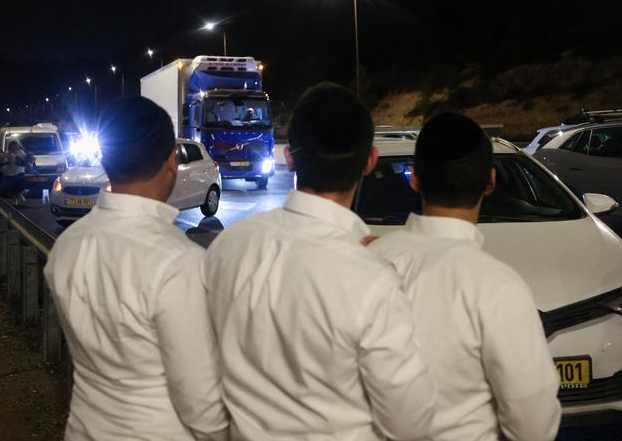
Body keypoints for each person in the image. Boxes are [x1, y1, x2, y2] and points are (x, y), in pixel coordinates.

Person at [203, 82, 437, 440]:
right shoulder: (374, 278)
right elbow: (409, 422)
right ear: (370, 160)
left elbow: (202, 376)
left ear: (289, 157)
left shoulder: (226, 248)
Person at [42, 97, 228, 440]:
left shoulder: (67, 246)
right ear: (171, 161)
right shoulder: (179, 263)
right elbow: (201, 404)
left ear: (106, 158)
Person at [371, 113, 561, 441]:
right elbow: (534, 424)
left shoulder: (368, 263)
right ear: (490, 181)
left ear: (414, 178)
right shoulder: (498, 286)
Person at [0, 140, 29, 206]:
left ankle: (21, 194)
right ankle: (15, 201)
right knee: (13, 188)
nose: (14, 147)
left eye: (15, 146)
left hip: (19, 171)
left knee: (20, 185)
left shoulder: (21, 152)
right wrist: (6, 160)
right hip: (10, 173)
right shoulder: (7, 153)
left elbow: (25, 159)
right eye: (13, 146)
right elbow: (4, 160)